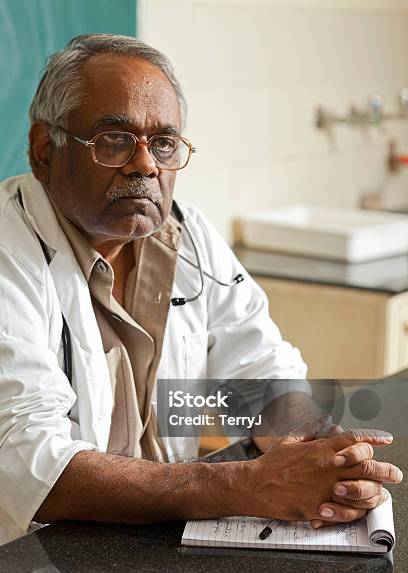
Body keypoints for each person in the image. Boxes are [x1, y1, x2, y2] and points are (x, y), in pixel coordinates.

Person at [0, 34, 402, 546]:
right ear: (44, 151)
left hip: (156, 541)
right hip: (33, 559)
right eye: (114, 139)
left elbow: (266, 376)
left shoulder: (187, 235)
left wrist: (324, 458)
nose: (146, 165)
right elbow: (31, 463)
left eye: (164, 143)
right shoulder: (7, 251)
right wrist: (247, 485)